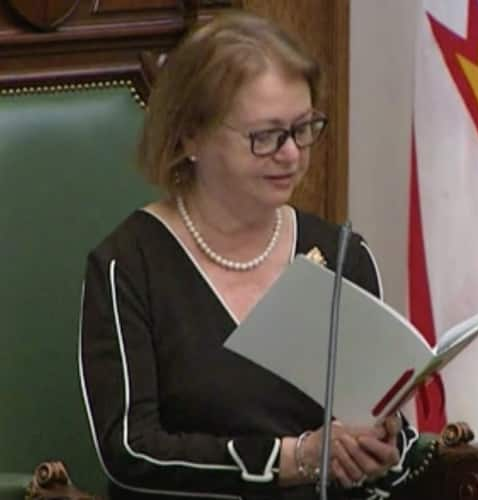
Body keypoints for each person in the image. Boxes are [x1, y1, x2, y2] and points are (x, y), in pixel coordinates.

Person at [79, 10, 421, 500]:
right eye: (266, 136)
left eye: (303, 129)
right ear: (189, 137)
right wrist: (292, 458)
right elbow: (131, 452)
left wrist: (384, 447)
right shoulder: (129, 265)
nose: (291, 155)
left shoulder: (342, 255)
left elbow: (391, 435)